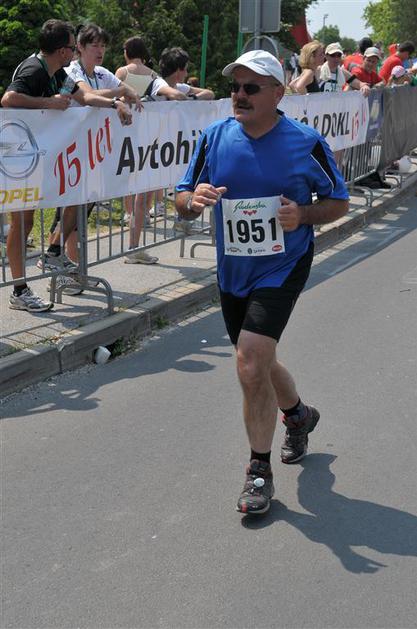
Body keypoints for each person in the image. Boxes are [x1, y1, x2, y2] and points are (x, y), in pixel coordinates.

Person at [175, 50, 349, 515]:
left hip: (283, 265)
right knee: (257, 360)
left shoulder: (305, 142)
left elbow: (338, 201)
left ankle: (258, 471)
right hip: (234, 269)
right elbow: (181, 196)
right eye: (235, 87)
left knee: (250, 360)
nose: (239, 95)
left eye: (250, 88)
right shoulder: (215, 137)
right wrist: (192, 200)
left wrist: (303, 214)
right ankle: (298, 415)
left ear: (277, 93)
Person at [1, 19, 133, 312]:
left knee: (75, 195)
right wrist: (48, 103)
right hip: (20, 158)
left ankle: (52, 252)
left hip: (40, 156)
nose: (74, 53)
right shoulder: (34, 69)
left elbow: (84, 97)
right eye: (73, 48)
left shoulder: (58, 73)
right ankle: (19, 290)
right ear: (62, 51)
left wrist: (115, 104)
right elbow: (9, 99)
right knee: (22, 224)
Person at [39, 23, 142, 293]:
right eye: (94, 45)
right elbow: (88, 96)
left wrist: (126, 92)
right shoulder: (70, 71)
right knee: (67, 214)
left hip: (94, 155)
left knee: (79, 217)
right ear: (79, 48)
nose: (100, 50)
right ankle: (59, 267)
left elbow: (125, 88)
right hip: (68, 152)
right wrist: (119, 95)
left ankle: (68, 268)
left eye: (103, 45)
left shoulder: (102, 72)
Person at [115, 37, 188, 264]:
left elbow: (114, 95)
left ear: (127, 52)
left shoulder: (123, 72)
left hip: (133, 137)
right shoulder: (153, 76)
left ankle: (134, 245)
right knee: (142, 193)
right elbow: (173, 93)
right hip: (148, 139)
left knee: (139, 192)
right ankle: (133, 246)